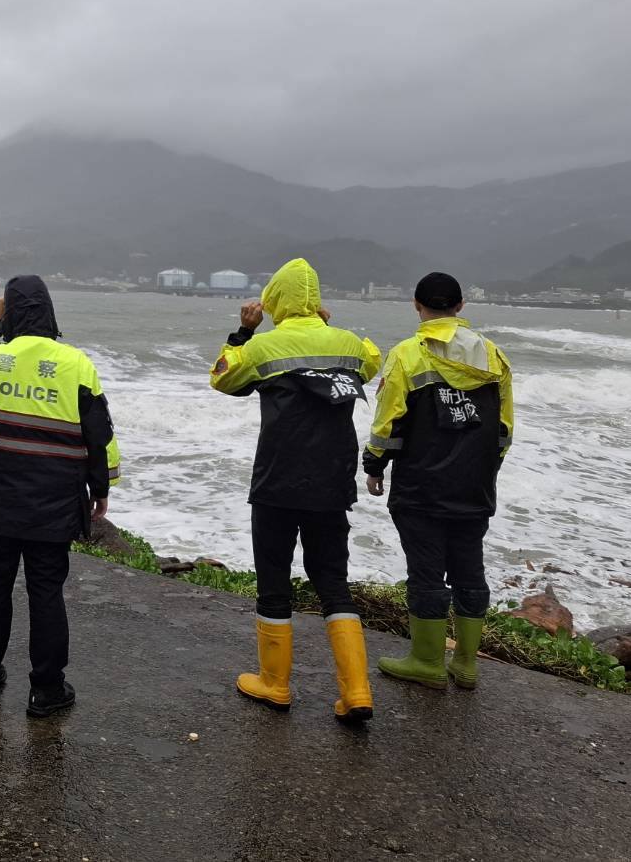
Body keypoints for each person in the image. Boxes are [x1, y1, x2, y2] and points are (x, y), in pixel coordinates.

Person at [209, 258, 380, 724]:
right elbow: (372, 361)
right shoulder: (348, 344)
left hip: (278, 480)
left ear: (276, 301)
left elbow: (224, 377)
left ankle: (275, 684)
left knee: (274, 577)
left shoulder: (266, 346)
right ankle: (357, 691)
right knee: (332, 581)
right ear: (315, 300)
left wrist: (243, 332)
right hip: (333, 480)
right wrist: (329, 327)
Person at [0, 275, 120, 719]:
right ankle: (46, 690)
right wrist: (101, 488)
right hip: (52, 499)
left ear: (10, 312)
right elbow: (98, 432)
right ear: (50, 312)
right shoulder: (76, 364)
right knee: (45, 590)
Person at [363, 272, 514, 690]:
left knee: (426, 572)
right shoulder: (494, 356)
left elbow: (387, 424)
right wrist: (484, 469)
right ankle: (466, 664)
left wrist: (374, 466)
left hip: (421, 487)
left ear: (416, 304)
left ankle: (427, 662)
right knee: (469, 569)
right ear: (461, 307)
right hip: (475, 487)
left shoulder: (408, 355)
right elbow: (504, 430)